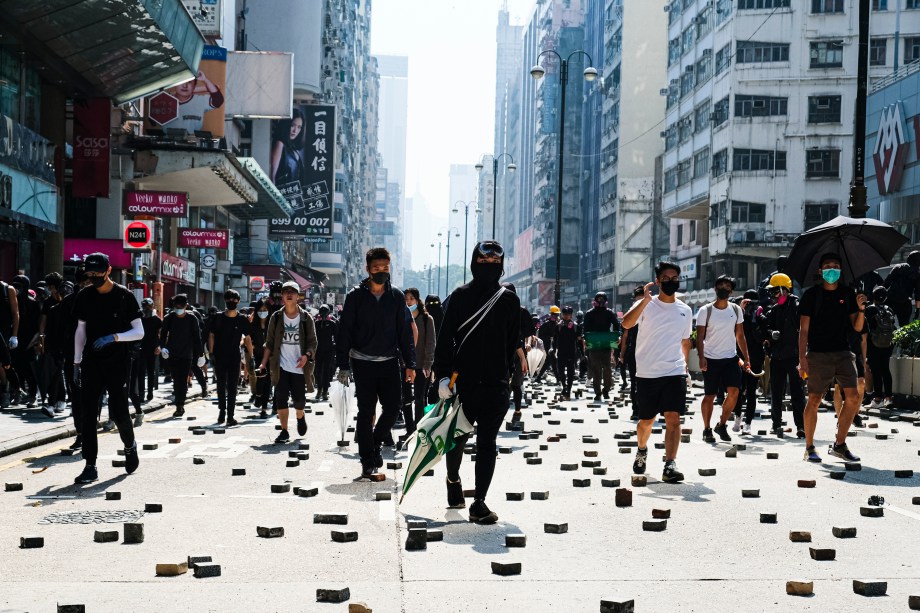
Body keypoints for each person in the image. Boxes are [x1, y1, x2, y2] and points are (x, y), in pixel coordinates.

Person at [435, 241, 521, 524]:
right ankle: (452, 479)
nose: (489, 269)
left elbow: (511, 343)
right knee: (457, 439)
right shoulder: (459, 296)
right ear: (474, 264)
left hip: (496, 385)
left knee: (488, 442)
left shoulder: (509, 299)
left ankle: (479, 502)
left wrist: (509, 377)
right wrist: (443, 376)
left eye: (495, 264)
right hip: (464, 383)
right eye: (483, 264)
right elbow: (445, 338)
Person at [335, 248, 416, 475]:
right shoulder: (355, 296)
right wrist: (343, 365)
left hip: (390, 362)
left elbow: (405, 332)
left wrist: (411, 364)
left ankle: (375, 441)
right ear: (368, 269)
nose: (381, 272)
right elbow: (345, 332)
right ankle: (367, 459)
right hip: (362, 362)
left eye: (385, 268)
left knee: (392, 408)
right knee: (365, 410)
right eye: (377, 268)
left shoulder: (396, 297)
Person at [71, 253, 145, 484]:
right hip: (92, 361)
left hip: (118, 361)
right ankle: (90, 465)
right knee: (88, 413)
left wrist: (114, 337)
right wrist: (76, 361)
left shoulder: (124, 296)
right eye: (89, 274)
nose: (93, 278)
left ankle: (130, 446)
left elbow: (139, 332)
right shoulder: (84, 296)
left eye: (97, 274)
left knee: (119, 409)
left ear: (108, 270)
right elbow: (81, 330)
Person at [622, 261, 692, 484]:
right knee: (646, 421)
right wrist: (644, 301)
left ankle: (670, 464)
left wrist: (686, 369)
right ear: (658, 281)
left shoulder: (685, 310)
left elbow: (684, 341)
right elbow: (626, 323)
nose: (671, 282)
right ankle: (642, 449)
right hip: (648, 373)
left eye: (674, 278)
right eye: (666, 278)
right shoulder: (646, 305)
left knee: (673, 418)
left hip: (674, 370)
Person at [798, 253, 867, 463]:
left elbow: (857, 327)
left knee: (854, 397)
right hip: (818, 354)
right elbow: (803, 330)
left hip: (843, 352)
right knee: (815, 400)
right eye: (827, 266)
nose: (832, 269)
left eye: (835, 266)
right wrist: (802, 358)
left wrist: (861, 308)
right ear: (820, 271)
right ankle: (809, 447)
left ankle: (839, 444)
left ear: (841, 270)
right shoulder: (811, 296)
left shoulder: (848, 293)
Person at [260, 281, 317, 444]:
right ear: (283, 296)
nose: (289, 294)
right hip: (280, 366)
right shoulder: (276, 317)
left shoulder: (306, 318)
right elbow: (269, 343)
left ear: (298, 296)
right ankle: (284, 431)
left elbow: (313, 342)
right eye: (286, 292)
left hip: (300, 368)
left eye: (293, 291)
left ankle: (300, 417)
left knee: (299, 401)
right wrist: (263, 363)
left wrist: (306, 355)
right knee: (280, 398)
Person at [696, 275, 750, 443]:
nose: (724, 288)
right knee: (710, 396)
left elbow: (740, 335)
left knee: (734, 392)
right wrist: (701, 357)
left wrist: (746, 358)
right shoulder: (706, 310)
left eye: (727, 286)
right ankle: (707, 429)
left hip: (730, 358)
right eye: (721, 285)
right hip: (711, 359)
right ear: (715, 288)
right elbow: (699, 337)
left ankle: (722, 424)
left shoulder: (736, 310)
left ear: (731, 291)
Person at [761, 274, 806, 437]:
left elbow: (804, 329)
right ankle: (776, 423)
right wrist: (770, 333)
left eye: (774, 291)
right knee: (776, 391)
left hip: (794, 356)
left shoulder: (796, 306)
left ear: (783, 290)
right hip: (777, 356)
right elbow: (766, 329)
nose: (772, 295)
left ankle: (801, 426)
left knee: (797, 392)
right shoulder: (773, 310)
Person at [208, 290, 253, 427]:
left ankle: (230, 415)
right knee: (221, 385)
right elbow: (211, 335)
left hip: (234, 356)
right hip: (219, 356)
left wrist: (251, 357)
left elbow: (248, 339)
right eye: (229, 299)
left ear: (238, 301)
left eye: (234, 299)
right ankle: (222, 411)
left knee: (233, 386)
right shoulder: (218, 317)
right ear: (225, 301)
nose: (232, 302)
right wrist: (211, 354)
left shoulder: (242, 319)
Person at [158, 294, 204, 418]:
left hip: (186, 354)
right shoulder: (169, 318)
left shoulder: (192, 319)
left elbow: (197, 338)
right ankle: (178, 402)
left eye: (181, 306)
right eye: (176, 306)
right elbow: (162, 336)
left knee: (182, 380)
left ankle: (180, 405)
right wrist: (163, 348)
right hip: (171, 353)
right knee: (176, 379)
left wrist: (201, 354)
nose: (179, 309)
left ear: (186, 306)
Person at [733, 290, 766, 435]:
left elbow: (762, 336)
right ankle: (737, 417)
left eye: (753, 303)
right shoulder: (737, 314)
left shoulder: (760, 316)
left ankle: (748, 423)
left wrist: (755, 319)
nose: (750, 306)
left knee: (751, 391)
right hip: (739, 357)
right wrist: (740, 311)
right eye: (748, 302)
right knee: (738, 390)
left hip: (756, 358)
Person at [403, 288, 435, 436]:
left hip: (421, 366)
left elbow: (430, 344)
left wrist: (428, 365)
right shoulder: (402, 318)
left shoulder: (427, 319)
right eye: (406, 299)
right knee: (406, 399)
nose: (408, 302)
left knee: (419, 399)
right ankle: (409, 430)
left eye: (411, 299)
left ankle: (419, 430)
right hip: (405, 365)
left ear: (417, 300)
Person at [503, 282, 533, 421]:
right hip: (501, 354)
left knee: (516, 384)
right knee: (502, 386)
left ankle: (517, 411)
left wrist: (525, 350)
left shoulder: (522, 312)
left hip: (517, 353)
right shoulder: (497, 310)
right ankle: (500, 412)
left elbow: (527, 334)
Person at [583, 291, 621, 401]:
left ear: (606, 302)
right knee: (596, 369)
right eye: (598, 300)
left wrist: (617, 337)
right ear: (594, 301)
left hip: (606, 344)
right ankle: (598, 393)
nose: (600, 302)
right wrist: (585, 339)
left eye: (602, 300)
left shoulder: (609, 313)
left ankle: (606, 390)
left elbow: (616, 326)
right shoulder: (589, 313)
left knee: (608, 369)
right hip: (593, 344)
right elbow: (585, 329)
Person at [865, 285, 897, 408]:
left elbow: (866, 329)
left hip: (874, 344)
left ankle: (877, 399)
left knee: (876, 371)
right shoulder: (890, 309)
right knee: (885, 370)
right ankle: (888, 398)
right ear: (885, 297)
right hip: (888, 344)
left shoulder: (869, 310)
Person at [619, 287, 644, 419]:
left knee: (636, 382)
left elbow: (625, 335)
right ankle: (638, 409)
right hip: (639, 352)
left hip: (638, 351)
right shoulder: (637, 311)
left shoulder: (636, 311)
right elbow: (625, 335)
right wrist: (622, 353)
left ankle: (637, 410)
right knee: (639, 382)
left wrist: (622, 354)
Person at [248, 299, 273, 418]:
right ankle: (258, 395)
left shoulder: (272, 323)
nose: (263, 312)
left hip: (271, 356)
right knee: (261, 378)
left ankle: (264, 408)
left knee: (268, 381)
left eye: (265, 310)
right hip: (258, 355)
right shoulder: (253, 325)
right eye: (260, 310)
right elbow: (248, 338)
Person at [883, 250, 920, 326]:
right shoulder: (917, 274)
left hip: (890, 300)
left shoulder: (898, 267)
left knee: (887, 324)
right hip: (905, 303)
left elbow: (886, 284)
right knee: (904, 327)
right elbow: (918, 294)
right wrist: (917, 309)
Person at [269, 108, 305, 186]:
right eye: (293, 125)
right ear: (287, 124)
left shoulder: (294, 150)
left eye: (299, 127)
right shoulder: (280, 144)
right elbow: (272, 175)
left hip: (292, 194)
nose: (295, 131)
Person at [555, 306, 581, 399]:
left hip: (571, 353)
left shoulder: (576, 326)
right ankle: (564, 386)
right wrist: (553, 350)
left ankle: (568, 390)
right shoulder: (558, 326)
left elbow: (579, 341)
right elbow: (555, 340)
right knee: (560, 371)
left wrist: (581, 353)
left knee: (570, 373)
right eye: (565, 314)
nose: (566, 316)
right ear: (562, 315)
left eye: (568, 314)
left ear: (571, 315)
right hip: (561, 352)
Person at [313, 304, 338, 401]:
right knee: (318, 371)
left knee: (326, 371)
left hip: (328, 351)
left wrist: (335, 349)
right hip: (318, 350)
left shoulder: (332, 324)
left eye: (325, 312)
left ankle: (324, 391)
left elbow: (337, 337)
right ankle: (319, 390)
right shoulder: (316, 324)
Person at [139, 298, 162, 401]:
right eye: (145, 306)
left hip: (153, 348)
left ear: (152, 306)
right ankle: (141, 394)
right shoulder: (139, 318)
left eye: (149, 306)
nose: (147, 308)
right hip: (140, 348)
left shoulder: (157, 319)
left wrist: (159, 346)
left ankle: (150, 393)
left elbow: (163, 334)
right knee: (141, 372)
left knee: (151, 371)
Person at [536, 306, 560, 382]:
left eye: (556, 314)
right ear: (551, 314)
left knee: (551, 361)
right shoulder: (546, 324)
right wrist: (549, 338)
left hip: (554, 345)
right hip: (547, 345)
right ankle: (558, 379)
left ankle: (539, 377)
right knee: (551, 361)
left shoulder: (557, 324)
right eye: (554, 314)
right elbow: (540, 335)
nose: (555, 316)